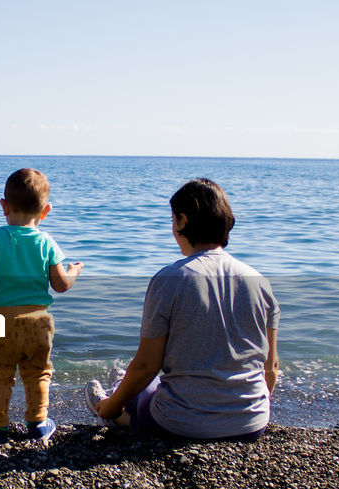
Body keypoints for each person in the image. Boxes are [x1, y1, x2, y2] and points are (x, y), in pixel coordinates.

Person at [86, 178, 279, 440]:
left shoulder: (170, 279)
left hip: (180, 423)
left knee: (142, 393)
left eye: (173, 219)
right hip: (251, 423)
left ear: (182, 221)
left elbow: (146, 365)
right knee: (150, 386)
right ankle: (119, 390)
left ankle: (113, 410)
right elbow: (271, 367)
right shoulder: (260, 283)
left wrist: (113, 406)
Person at [0, 168, 83, 442]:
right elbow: (61, 285)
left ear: (3, 206)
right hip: (38, 322)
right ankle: (38, 423)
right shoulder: (47, 242)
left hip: (0, 321)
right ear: (46, 210)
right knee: (38, 372)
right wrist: (74, 270)